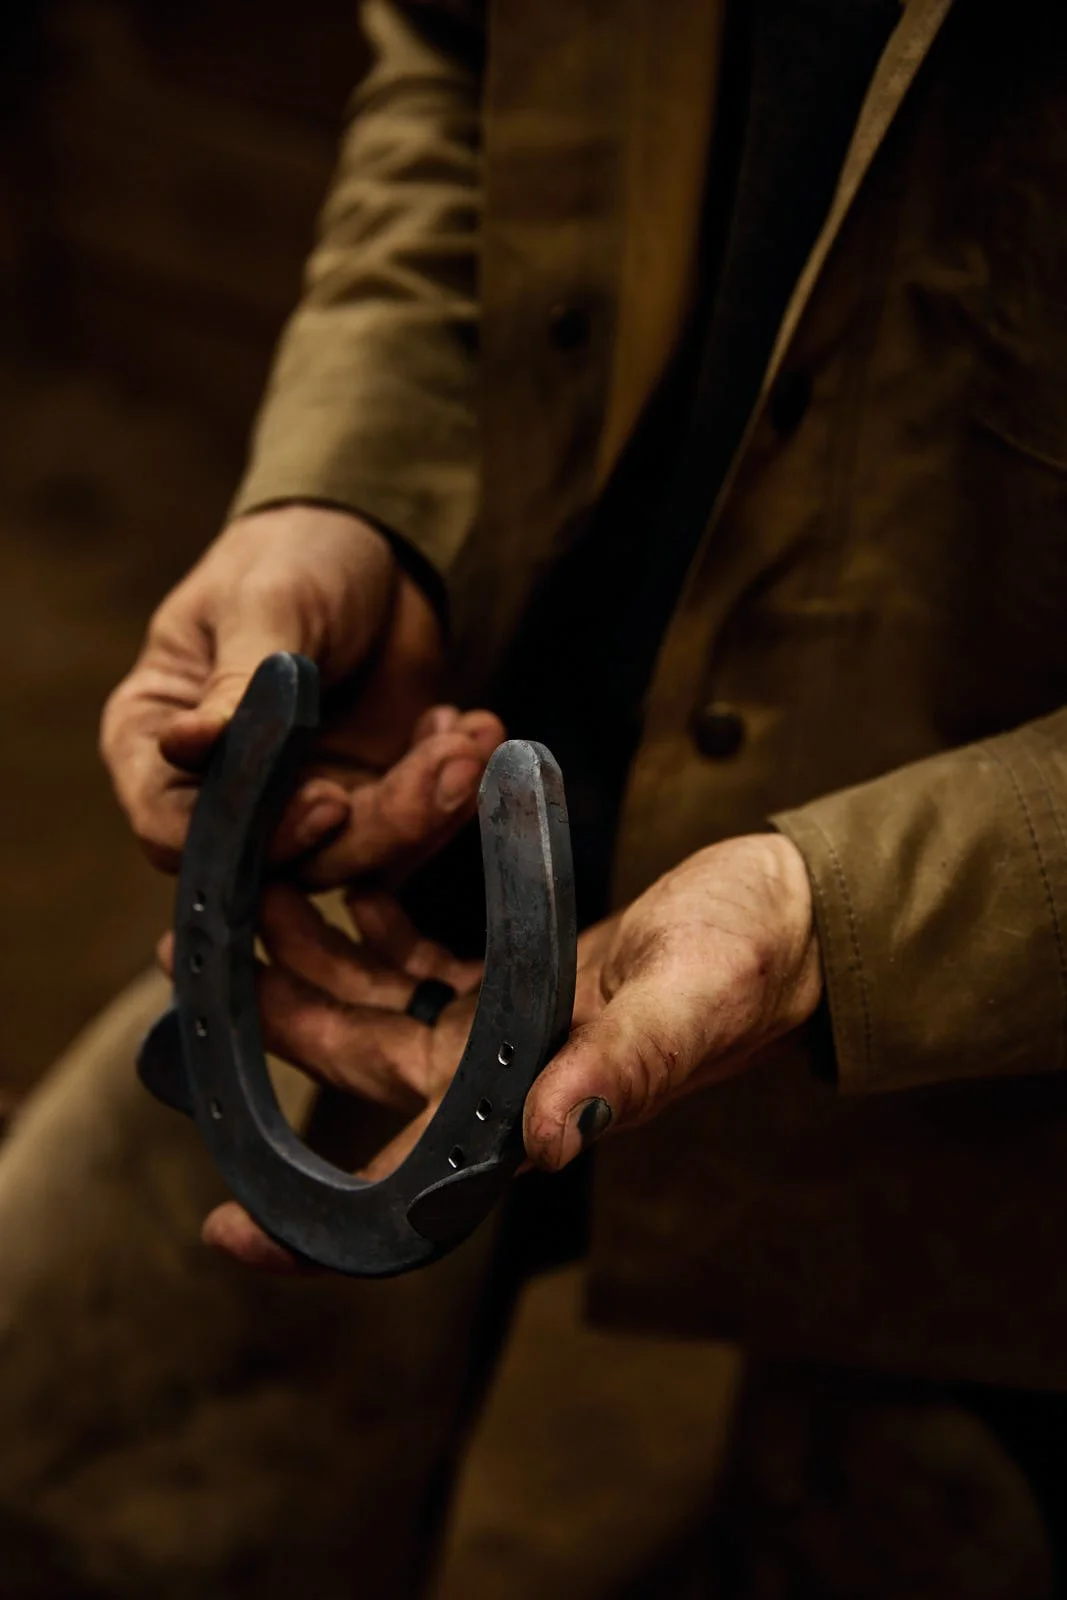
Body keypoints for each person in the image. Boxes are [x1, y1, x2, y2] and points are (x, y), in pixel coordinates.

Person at [5, 0, 1067, 1592]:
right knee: (85, 1433)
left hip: (983, 1042)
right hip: (431, 807)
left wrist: (847, 917)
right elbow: (452, 70)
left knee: (898, 1521)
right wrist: (353, 493)